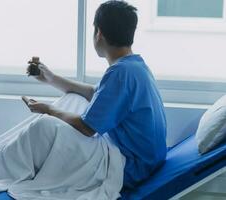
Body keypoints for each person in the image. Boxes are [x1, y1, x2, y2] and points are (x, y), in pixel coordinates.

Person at [24, 0, 167, 189]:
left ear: (98, 33)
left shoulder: (121, 73)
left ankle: (9, 162)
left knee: (44, 125)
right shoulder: (135, 66)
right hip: (146, 160)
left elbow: (87, 127)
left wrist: (48, 109)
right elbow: (94, 93)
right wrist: (51, 78)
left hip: (132, 167)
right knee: (74, 98)